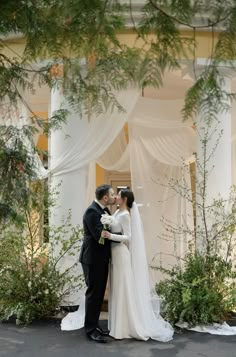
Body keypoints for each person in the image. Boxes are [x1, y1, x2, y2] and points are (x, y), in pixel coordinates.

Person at [101, 189, 174, 341]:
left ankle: (124, 327)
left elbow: (128, 237)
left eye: (119, 196)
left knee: (122, 289)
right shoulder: (117, 213)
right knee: (117, 288)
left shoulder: (126, 215)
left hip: (121, 254)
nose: (116, 197)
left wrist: (110, 236)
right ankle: (116, 326)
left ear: (125, 199)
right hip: (114, 254)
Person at [78, 184, 116, 343]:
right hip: (92, 259)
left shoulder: (104, 211)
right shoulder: (92, 211)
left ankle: (95, 325)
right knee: (93, 294)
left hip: (101, 259)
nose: (114, 197)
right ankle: (90, 330)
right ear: (105, 197)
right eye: (112, 195)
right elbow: (99, 235)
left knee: (99, 294)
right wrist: (119, 237)